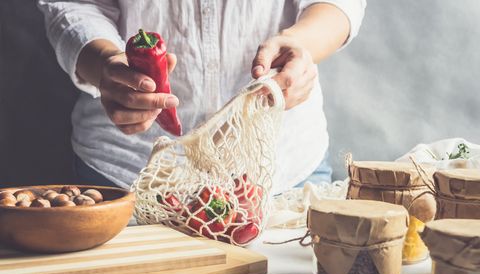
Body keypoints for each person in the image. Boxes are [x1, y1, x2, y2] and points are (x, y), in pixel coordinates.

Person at [38, 0, 366, 195]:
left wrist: (301, 43)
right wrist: (105, 63)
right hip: (128, 173)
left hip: (282, 170)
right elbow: (77, 4)